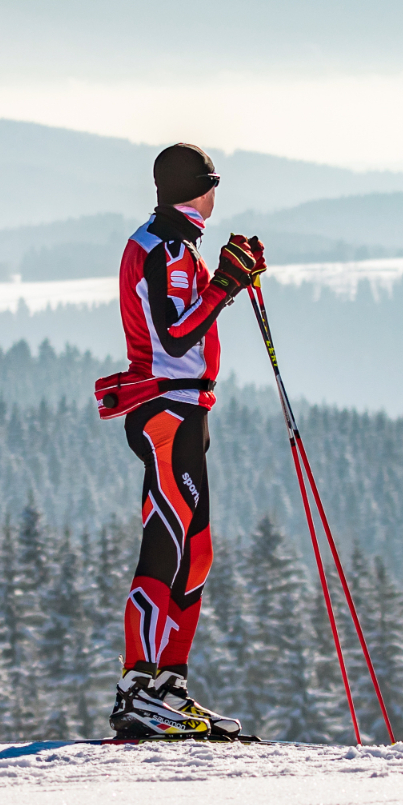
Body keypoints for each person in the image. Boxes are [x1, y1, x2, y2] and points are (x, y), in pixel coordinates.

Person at [110, 143, 266, 739]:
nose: (215, 194)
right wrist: (226, 285)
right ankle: (138, 686)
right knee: (168, 543)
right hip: (167, 410)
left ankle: (168, 683)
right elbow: (176, 336)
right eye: (212, 185)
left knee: (195, 552)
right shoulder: (165, 248)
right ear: (196, 190)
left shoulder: (175, 244)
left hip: (186, 410)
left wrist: (225, 278)